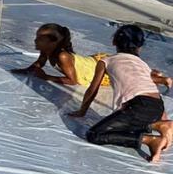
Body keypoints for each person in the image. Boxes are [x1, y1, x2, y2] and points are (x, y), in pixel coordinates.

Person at [69, 25, 173, 162]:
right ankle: (158, 124)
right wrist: (162, 117)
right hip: (156, 106)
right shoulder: (142, 64)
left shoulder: (105, 61)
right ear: (139, 46)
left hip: (137, 107)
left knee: (95, 134)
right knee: (128, 129)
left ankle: (151, 139)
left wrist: (82, 111)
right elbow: (150, 88)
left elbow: (92, 89)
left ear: (114, 42)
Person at [14, 22, 170, 89]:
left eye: (40, 38)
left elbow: (72, 81)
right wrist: (25, 70)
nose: (36, 40)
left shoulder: (62, 56)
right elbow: (38, 64)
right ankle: (152, 74)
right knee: (128, 69)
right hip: (92, 63)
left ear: (52, 42)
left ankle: (161, 79)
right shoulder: (47, 50)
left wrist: (46, 77)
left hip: (96, 71)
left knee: (127, 76)